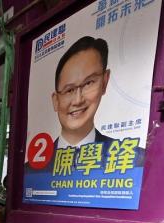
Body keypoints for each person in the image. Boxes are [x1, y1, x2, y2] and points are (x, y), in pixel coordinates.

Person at [50, 36, 145, 165]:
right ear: (56, 100)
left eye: (88, 83)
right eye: (69, 90)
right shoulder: (32, 169)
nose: (78, 100)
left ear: (104, 82)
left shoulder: (135, 160)